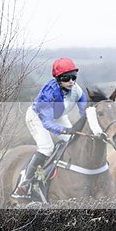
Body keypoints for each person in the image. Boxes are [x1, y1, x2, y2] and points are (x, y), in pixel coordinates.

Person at [11, 58, 87, 199]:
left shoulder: (77, 91)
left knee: (74, 140)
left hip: (58, 115)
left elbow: (84, 113)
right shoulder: (49, 92)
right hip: (38, 117)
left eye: (73, 77)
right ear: (58, 79)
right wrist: (64, 130)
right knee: (47, 147)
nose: (71, 81)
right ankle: (25, 183)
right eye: (66, 78)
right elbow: (47, 123)